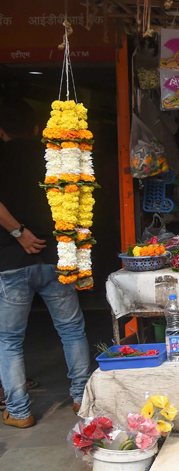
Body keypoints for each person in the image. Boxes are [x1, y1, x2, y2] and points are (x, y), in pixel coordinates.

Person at [0, 98, 92, 428]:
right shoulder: (54, 155)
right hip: (57, 257)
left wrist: (18, 232)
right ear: (37, 129)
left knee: (9, 340)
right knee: (71, 329)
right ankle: (82, 398)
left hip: (12, 262)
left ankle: (20, 411)